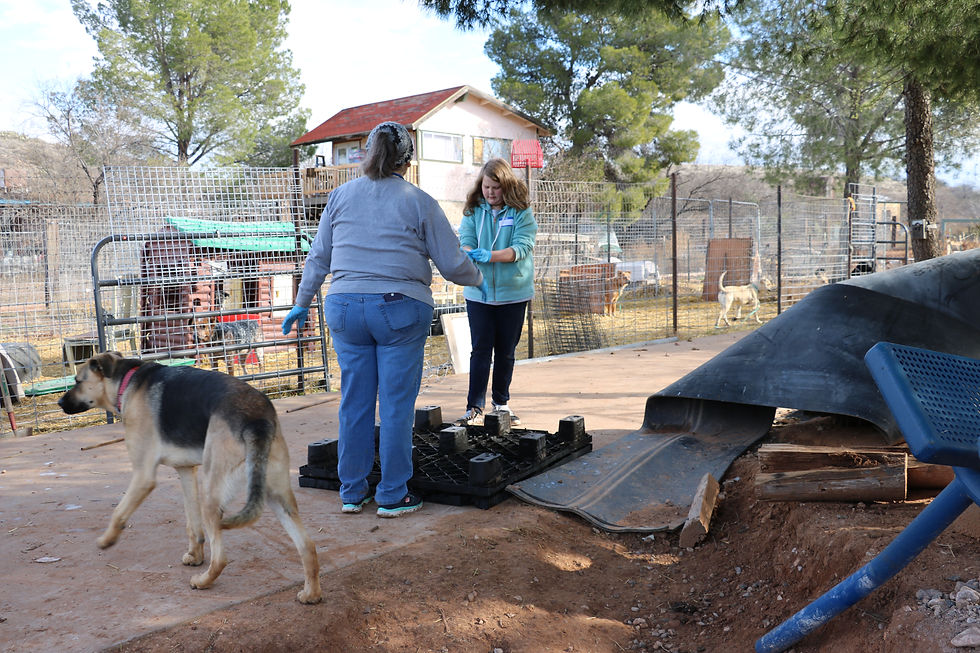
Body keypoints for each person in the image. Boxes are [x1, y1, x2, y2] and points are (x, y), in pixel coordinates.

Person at [281, 121, 484, 518]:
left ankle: (352, 491)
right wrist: (478, 277)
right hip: (399, 308)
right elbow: (452, 263)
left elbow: (318, 258)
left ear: (366, 155)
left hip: (342, 307)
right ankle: (392, 494)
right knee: (395, 405)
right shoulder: (419, 201)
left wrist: (302, 302)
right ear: (407, 162)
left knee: (354, 402)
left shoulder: (339, 197)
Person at [457, 158, 537, 426]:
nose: (490, 193)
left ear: (507, 186)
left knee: (505, 351)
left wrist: (489, 255)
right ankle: (474, 407)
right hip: (479, 293)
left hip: (513, 293)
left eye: (496, 187)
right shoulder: (473, 212)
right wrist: (470, 252)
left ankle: (501, 403)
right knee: (480, 350)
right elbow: (465, 241)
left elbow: (521, 248)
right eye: (486, 187)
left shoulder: (522, 213)